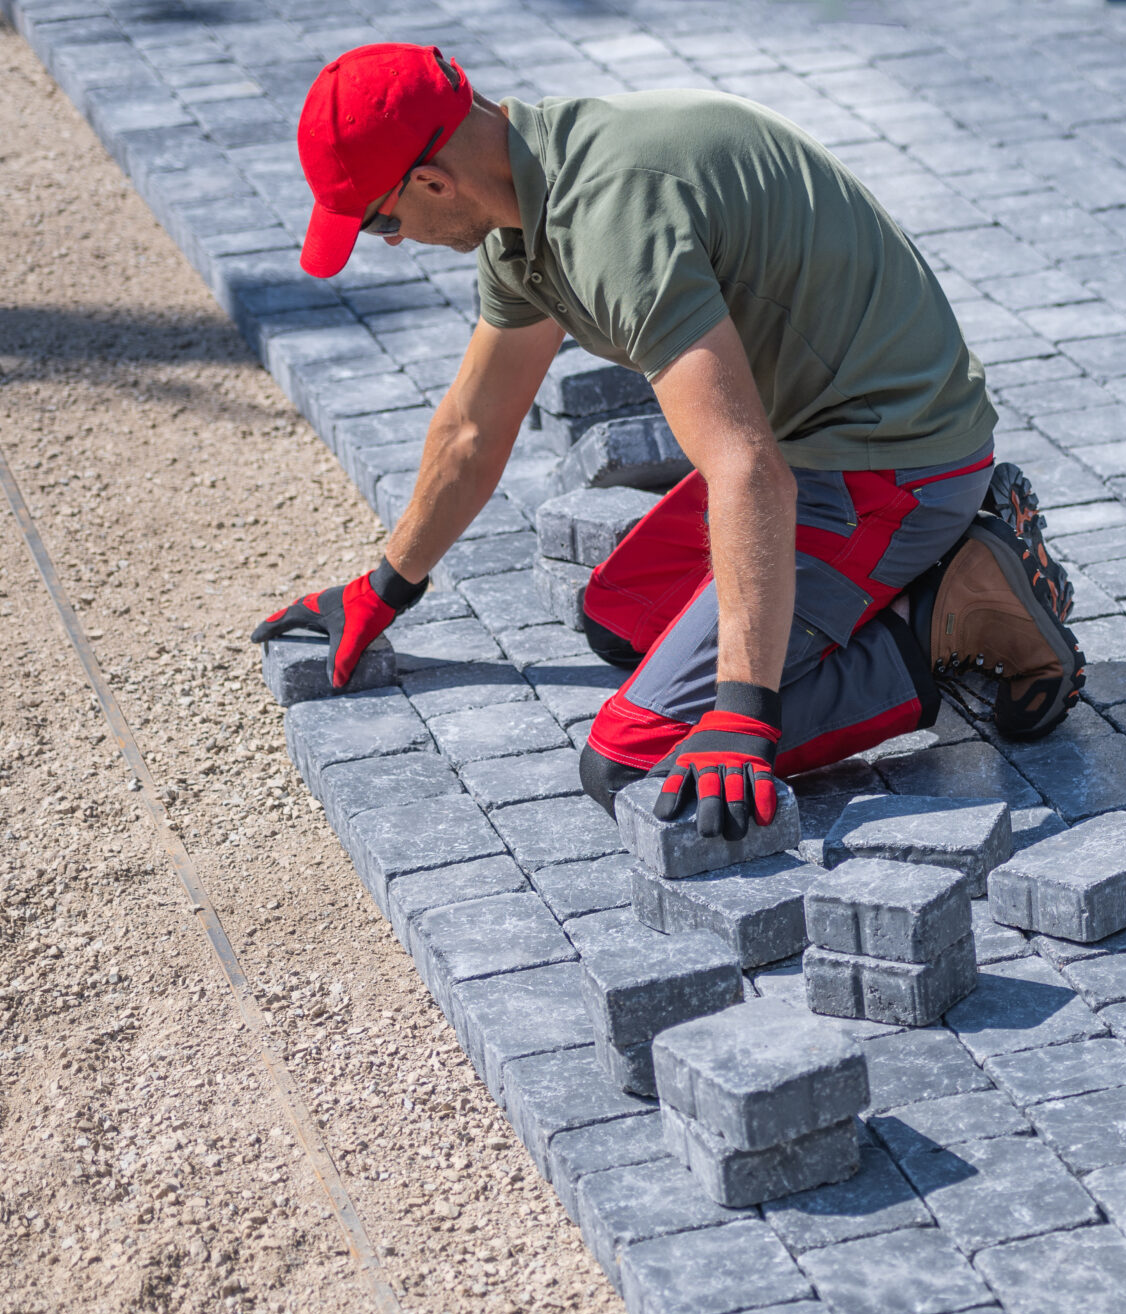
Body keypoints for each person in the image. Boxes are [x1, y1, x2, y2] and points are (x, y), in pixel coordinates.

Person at [252, 43, 1083, 840]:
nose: (393, 239)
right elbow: (476, 423)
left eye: (381, 221)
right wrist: (385, 587)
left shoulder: (612, 223)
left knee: (636, 762)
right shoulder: (523, 201)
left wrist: (744, 713)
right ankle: (922, 570)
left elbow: (746, 469)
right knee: (621, 619)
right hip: (806, 436)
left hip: (893, 459)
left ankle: (945, 618)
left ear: (433, 180)